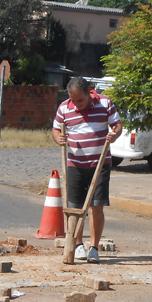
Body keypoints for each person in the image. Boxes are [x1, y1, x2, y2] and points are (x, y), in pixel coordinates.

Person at [52, 77, 122, 263]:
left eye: (80, 100)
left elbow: (117, 125)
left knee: (96, 206)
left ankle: (94, 247)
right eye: (73, 100)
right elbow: (56, 129)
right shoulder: (64, 108)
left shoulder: (105, 103)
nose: (76, 104)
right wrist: (58, 138)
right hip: (75, 165)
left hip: (100, 163)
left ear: (89, 93)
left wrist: (114, 134)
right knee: (75, 207)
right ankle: (78, 245)